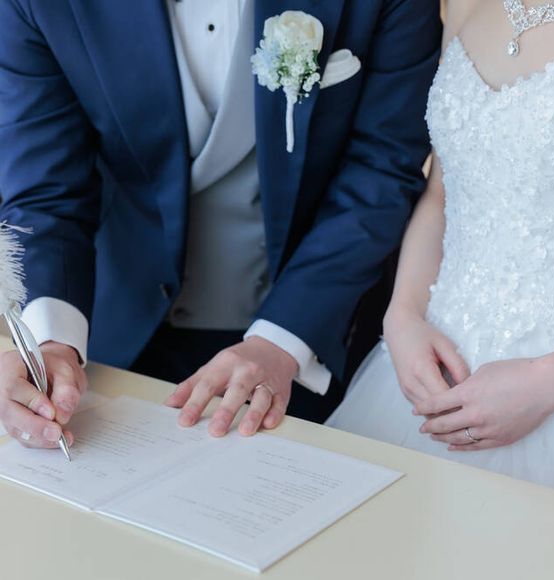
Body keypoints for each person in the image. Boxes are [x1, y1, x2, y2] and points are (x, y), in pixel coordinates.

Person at [0, 1, 441, 449]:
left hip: (319, 335)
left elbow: (381, 169)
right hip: (115, 341)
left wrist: (283, 337)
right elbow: (46, 189)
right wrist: (50, 341)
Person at [328, 0, 554, 495]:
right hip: (435, 363)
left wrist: (551, 382)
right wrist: (403, 315)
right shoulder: (465, 5)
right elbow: (443, 193)